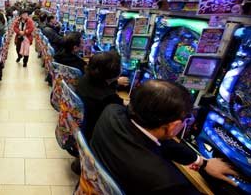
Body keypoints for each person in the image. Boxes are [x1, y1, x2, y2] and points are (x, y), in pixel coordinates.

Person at [90, 80, 239, 195]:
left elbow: (163, 141)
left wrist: (203, 162)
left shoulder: (111, 111)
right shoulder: (166, 183)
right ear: (173, 126)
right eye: (187, 120)